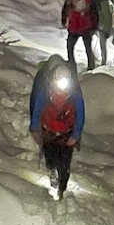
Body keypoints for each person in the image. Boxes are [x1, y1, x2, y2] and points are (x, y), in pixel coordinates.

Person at [29, 57, 85, 200]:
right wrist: (35, 127)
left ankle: (62, 188)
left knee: (64, 164)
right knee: (50, 159)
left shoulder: (75, 95)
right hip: (49, 132)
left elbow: (80, 115)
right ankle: (52, 174)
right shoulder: (46, 92)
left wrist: (76, 135)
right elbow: (38, 108)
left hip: (67, 135)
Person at [62, 0, 98, 71]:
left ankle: (87, 67)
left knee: (82, 48)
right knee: (79, 47)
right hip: (78, 28)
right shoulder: (73, 1)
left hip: (82, 28)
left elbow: (92, 13)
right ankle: (86, 66)